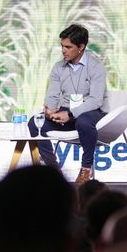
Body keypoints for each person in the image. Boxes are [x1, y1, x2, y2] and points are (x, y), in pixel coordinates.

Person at [28, 24, 108, 184]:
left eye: (68, 47)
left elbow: (95, 99)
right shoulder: (58, 67)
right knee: (35, 123)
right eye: (62, 46)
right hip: (65, 112)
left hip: (90, 111)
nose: (63, 50)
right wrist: (50, 110)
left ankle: (86, 169)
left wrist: (71, 114)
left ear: (81, 47)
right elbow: (52, 94)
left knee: (84, 122)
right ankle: (53, 172)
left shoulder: (96, 66)